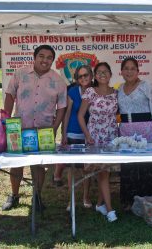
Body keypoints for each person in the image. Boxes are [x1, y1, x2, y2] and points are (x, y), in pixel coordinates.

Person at [2, 45, 67, 211]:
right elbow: (10, 95)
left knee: (39, 164)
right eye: (41, 56)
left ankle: (37, 196)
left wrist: (55, 127)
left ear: (52, 60)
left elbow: (61, 107)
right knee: (17, 163)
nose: (45, 60)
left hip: (43, 130)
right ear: (35, 57)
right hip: (20, 127)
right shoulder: (20, 74)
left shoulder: (58, 80)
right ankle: (14, 195)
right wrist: (6, 119)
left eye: (49, 57)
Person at [118, 57, 152, 211]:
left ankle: (150, 201)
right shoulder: (119, 89)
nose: (129, 71)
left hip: (145, 131)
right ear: (122, 72)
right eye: (126, 68)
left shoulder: (146, 86)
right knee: (129, 166)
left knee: (147, 165)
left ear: (138, 71)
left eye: (133, 68)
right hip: (125, 131)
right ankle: (129, 201)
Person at [78, 62, 118, 222]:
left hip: (111, 135)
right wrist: (87, 135)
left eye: (106, 72)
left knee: (106, 172)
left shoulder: (115, 93)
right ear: (95, 76)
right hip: (94, 136)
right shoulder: (90, 92)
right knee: (102, 172)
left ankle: (101, 204)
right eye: (99, 72)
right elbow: (80, 116)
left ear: (110, 75)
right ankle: (109, 210)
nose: (103, 74)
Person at [54, 65, 93, 211]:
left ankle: (86, 197)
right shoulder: (72, 91)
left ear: (91, 75)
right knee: (71, 168)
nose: (83, 78)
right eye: (80, 76)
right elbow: (67, 114)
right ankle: (71, 199)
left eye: (86, 75)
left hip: (89, 135)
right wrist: (63, 134)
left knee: (87, 168)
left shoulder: (94, 91)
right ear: (77, 79)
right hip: (72, 133)